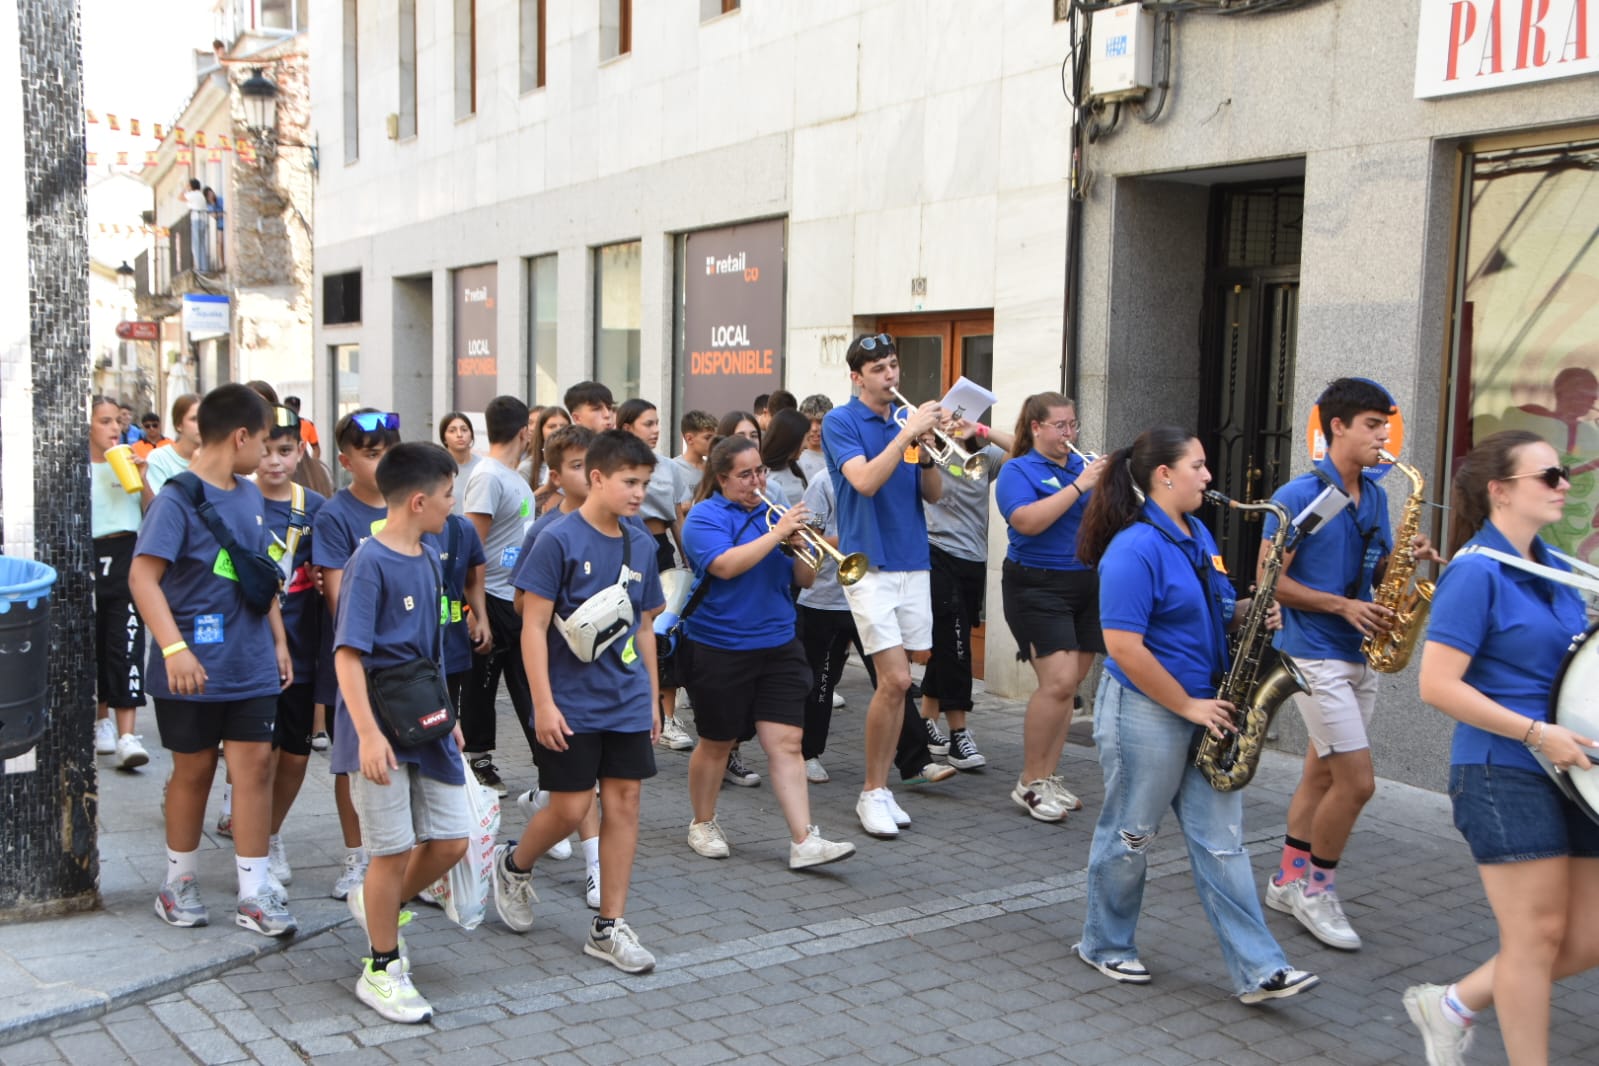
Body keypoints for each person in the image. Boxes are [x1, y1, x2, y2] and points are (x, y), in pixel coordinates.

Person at [1074, 424, 1318, 1005]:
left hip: (1207, 705)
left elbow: (1206, 610)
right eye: (1199, 467)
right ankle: (1104, 943)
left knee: (1223, 844)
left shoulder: (1198, 531)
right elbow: (1124, 646)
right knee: (1132, 834)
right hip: (1149, 711)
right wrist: (1186, 704)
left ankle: (1261, 969)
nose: (1210, 478)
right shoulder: (1134, 548)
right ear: (1165, 475)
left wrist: (1248, 613)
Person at [1404, 431, 1596, 1066]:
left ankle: (1452, 1003)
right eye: (1550, 475)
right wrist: (1539, 733)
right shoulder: (1475, 573)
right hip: (1503, 768)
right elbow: (1436, 685)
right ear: (1500, 490)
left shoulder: (1555, 565)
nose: (1564, 483)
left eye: (1562, 473)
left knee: (1586, 936)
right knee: (1535, 938)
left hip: (1572, 770)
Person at [1264, 378, 1437, 952]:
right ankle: (1317, 890)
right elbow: (1271, 582)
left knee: (1321, 774)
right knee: (1357, 784)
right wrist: (1342, 604)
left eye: (1385, 426)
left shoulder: (1379, 496)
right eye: (1371, 426)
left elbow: (1378, 561)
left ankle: (1286, 879)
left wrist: (1407, 559)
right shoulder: (1296, 497)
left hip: (1358, 650)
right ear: (1336, 427)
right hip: (1314, 650)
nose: (1383, 438)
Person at [492, 430, 666, 975]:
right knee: (568, 808)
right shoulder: (557, 538)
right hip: (569, 701)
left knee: (625, 805)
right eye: (628, 482)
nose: (639, 493)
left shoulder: (643, 542)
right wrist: (542, 704)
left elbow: (645, 628)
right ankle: (514, 865)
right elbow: (532, 624)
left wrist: (656, 701)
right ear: (596, 477)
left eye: (645, 483)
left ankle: (608, 926)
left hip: (627, 699)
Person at [128, 384, 296, 937]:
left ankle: (253, 891)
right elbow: (142, 577)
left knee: (255, 770)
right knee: (194, 770)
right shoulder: (176, 499)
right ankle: (178, 882)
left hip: (250, 664)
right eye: (264, 441)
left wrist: (277, 641)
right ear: (242, 437)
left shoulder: (250, 497)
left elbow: (259, 575)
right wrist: (174, 648)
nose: (268, 454)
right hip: (190, 668)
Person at [333, 442, 472, 1025]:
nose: (452, 506)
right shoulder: (370, 561)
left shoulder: (431, 553)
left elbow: (432, 650)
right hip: (377, 729)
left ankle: (375, 904)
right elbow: (347, 656)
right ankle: (382, 967)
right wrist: (366, 734)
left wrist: (451, 716)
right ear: (418, 500)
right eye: (446, 496)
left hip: (428, 722)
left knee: (451, 842)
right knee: (388, 850)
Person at [678, 436, 856, 869]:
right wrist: (776, 534)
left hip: (777, 642)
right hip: (720, 645)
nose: (757, 481)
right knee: (718, 742)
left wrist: (807, 548)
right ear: (722, 478)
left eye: (759, 471)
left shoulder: (773, 514)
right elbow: (723, 565)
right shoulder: (704, 517)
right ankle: (702, 821)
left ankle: (803, 840)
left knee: (788, 743)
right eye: (745, 474)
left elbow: (805, 580)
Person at [821, 332, 946, 838]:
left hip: (914, 558)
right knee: (893, 680)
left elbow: (934, 493)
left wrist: (929, 449)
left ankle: (883, 787)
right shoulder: (840, 421)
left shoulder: (905, 425)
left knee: (904, 682)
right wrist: (905, 435)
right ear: (857, 377)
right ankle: (872, 790)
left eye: (893, 366)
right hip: (869, 564)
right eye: (878, 369)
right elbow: (865, 481)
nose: (890, 376)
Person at [993, 392, 1107, 821]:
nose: (1069, 434)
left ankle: (1048, 774)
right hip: (1036, 585)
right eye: (1060, 426)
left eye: (1073, 424)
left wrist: (1111, 485)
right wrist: (1081, 486)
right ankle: (1029, 781)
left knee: (1068, 688)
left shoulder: (1084, 463)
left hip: (1086, 582)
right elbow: (1026, 521)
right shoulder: (1017, 469)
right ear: (1036, 428)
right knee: (1056, 682)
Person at [509, 423, 606, 906]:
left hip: (611, 679)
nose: (589, 475)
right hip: (562, 674)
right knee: (581, 786)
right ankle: (595, 866)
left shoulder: (623, 528)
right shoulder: (546, 529)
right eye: (575, 467)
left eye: (595, 465)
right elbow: (522, 606)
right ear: (555, 473)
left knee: (596, 786)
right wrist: (569, 614)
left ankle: (545, 800)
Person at [313, 407, 406, 901]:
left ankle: (399, 858)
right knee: (352, 761)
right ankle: (357, 856)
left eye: (389, 451)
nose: (382, 461)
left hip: (406, 667)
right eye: (372, 454)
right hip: (355, 659)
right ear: (347, 461)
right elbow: (335, 596)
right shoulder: (334, 515)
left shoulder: (409, 505)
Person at [255, 404, 326, 888]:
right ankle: (256, 846)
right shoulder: (234, 500)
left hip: (303, 650)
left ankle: (271, 832)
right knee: (256, 755)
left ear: (300, 450)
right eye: (265, 450)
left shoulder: (317, 508)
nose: (274, 461)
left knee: (296, 756)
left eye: (284, 450)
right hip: (249, 651)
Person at [917, 416, 1013, 772]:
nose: (952, 425)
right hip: (935, 553)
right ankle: (959, 735)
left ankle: (927, 720)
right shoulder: (926, 452)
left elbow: (1025, 448)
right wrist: (930, 437)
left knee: (948, 642)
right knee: (957, 645)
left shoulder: (983, 456)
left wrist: (983, 431)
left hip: (973, 559)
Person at [461, 396, 538, 793]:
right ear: (525, 431)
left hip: (517, 599)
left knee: (529, 683)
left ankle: (549, 760)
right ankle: (479, 760)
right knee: (481, 687)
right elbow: (472, 548)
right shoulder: (488, 476)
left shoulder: (515, 478)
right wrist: (476, 611)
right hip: (489, 598)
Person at [617, 398, 696, 753]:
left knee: (665, 633)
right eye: (647, 423)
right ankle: (629, 709)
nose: (655, 430)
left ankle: (667, 717)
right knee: (626, 629)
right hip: (624, 549)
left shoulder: (668, 468)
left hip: (661, 547)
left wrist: (688, 559)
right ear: (626, 427)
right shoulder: (613, 464)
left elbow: (677, 517)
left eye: (657, 423)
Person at [89, 396, 150, 769]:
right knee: (94, 641)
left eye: (117, 422)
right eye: (105, 421)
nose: (114, 428)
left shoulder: (133, 460)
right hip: (92, 555)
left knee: (127, 640)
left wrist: (142, 479)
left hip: (128, 551)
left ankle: (128, 733)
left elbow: (155, 511)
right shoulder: (77, 469)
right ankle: (102, 722)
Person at [144, 393, 201, 499]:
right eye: (194, 419)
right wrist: (192, 472)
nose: (202, 423)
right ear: (179, 425)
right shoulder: (159, 458)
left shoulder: (215, 458)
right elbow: (163, 507)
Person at [760, 408, 812, 507]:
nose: (806, 445)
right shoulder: (766, 478)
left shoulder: (793, 467)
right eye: (806, 439)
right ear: (791, 440)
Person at [439, 411, 482, 515]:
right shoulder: (438, 468)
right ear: (444, 438)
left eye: (464, 430)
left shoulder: (482, 466)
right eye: (452, 431)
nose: (459, 435)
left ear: (471, 434)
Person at [675, 410, 718, 487]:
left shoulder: (712, 470)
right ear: (689, 439)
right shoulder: (673, 469)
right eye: (707, 438)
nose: (713, 442)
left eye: (714, 438)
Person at [798, 394, 833, 482]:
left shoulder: (839, 455)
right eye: (809, 422)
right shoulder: (795, 459)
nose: (814, 428)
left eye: (820, 421)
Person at [183, 179, 210, 273]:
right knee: (201, 244)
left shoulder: (193, 194)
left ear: (192, 186)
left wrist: (184, 189)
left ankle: (200, 268)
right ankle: (204, 267)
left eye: (188, 185)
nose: (188, 187)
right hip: (203, 220)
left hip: (196, 220)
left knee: (196, 245)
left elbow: (180, 197)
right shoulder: (201, 195)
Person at [283, 395, 320, 460]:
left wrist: (312, 464)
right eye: (289, 408)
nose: (292, 411)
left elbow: (316, 449)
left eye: (295, 409)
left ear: (299, 409)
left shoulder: (308, 424)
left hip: (301, 461)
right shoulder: (277, 423)